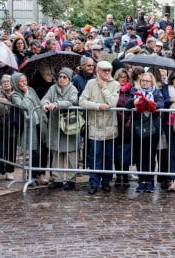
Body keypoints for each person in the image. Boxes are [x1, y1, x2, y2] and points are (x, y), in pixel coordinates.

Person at [79, 61, 119, 194]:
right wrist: (97, 106)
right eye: (104, 70)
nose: (107, 72)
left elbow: (113, 102)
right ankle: (94, 182)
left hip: (109, 127)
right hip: (94, 126)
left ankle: (106, 181)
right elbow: (82, 101)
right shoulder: (90, 83)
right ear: (98, 71)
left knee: (108, 157)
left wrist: (104, 87)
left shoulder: (115, 84)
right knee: (94, 156)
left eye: (109, 70)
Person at [126, 71, 165, 193]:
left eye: (147, 81)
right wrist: (135, 102)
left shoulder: (156, 92)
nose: (145, 83)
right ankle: (141, 180)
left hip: (152, 127)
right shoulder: (134, 91)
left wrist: (150, 104)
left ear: (151, 82)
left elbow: (160, 104)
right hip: (138, 127)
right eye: (143, 80)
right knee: (139, 155)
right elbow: (127, 103)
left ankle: (149, 181)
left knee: (150, 155)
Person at [41, 67, 80, 190]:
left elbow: (73, 101)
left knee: (71, 153)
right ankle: (57, 178)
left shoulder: (73, 89)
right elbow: (45, 98)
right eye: (60, 77)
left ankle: (70, 179)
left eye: (64, 77)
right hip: (55, 125)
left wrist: (57, 104)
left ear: (69, 79)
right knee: (56, 152)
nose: (61, 79)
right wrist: (45, 104)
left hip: (70, 124)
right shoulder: (52, 88)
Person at [10, 72, 49, 185]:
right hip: (28, 126)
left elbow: (38, 103)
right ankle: (31, 175)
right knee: (34, 151)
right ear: (16, 83)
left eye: (25, 81)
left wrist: (44, 118)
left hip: (39, 124)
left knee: (43, 150)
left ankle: (40, 173)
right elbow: (23, 106)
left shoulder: (31, 90)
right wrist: (26, 94)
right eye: (21, 82)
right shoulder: (15, 95)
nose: (24, 83)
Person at [113, 68, 133, 187]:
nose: (123, 79)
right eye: (121, 77)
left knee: (125, 149)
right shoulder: (114, 88)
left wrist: (129, 119)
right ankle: (118, 174)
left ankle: (125, 174)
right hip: (116, 123)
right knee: (116, 150)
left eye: (125, 77)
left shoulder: (131, 90)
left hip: (127, 124)